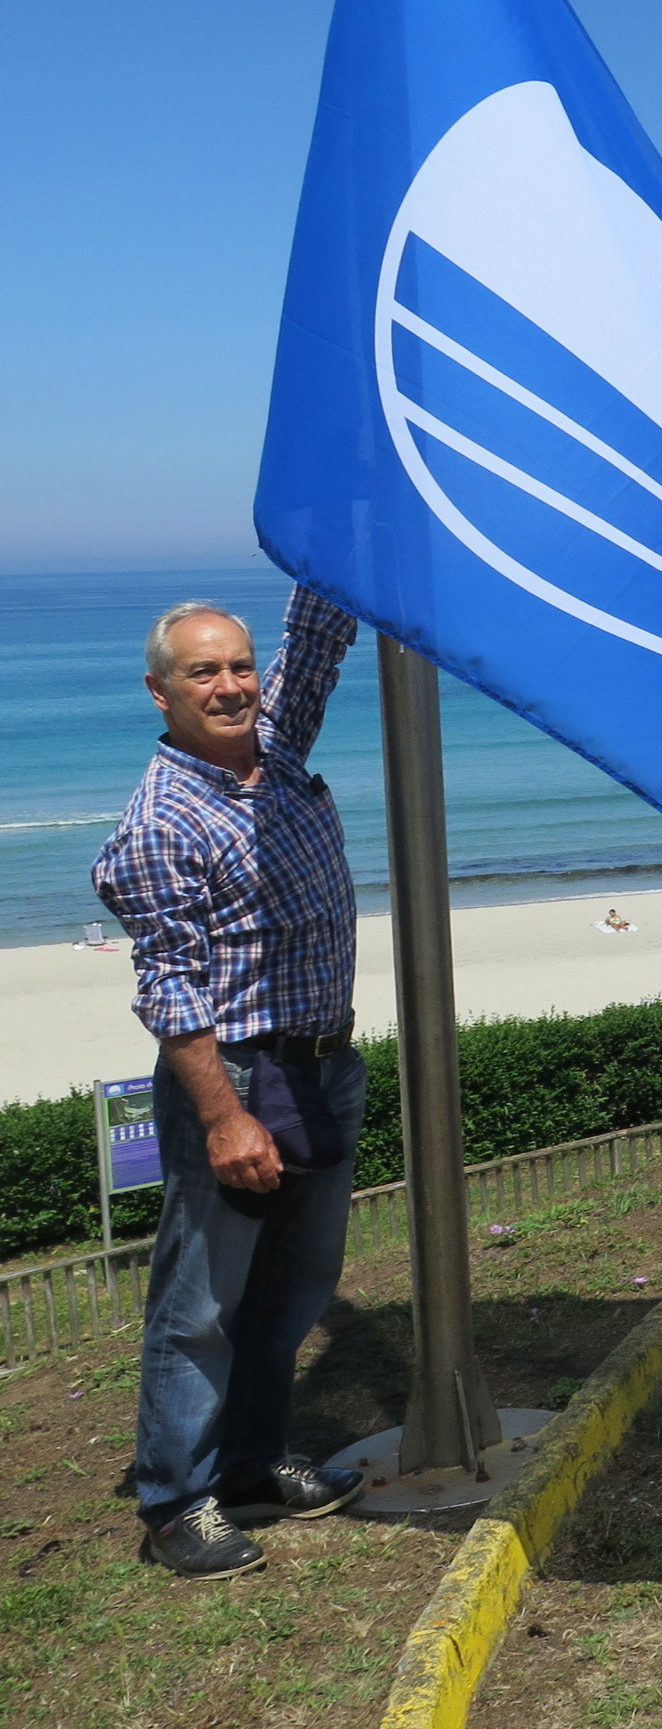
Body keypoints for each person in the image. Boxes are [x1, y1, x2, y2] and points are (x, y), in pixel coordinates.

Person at [93, 589, 370, 1580]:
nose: (230, 684)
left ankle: (253, 1460)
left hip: (322, 1065)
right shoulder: (163, 824)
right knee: (202, 1305)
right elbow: (170, 992)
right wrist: (223, 1117)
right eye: (202, 672)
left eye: (238, 665)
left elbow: (321, 639)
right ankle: (176, 1501)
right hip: (242, 1079)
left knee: (294, 1286)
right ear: (159, 692)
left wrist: (343, 511)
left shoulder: (274, 749)